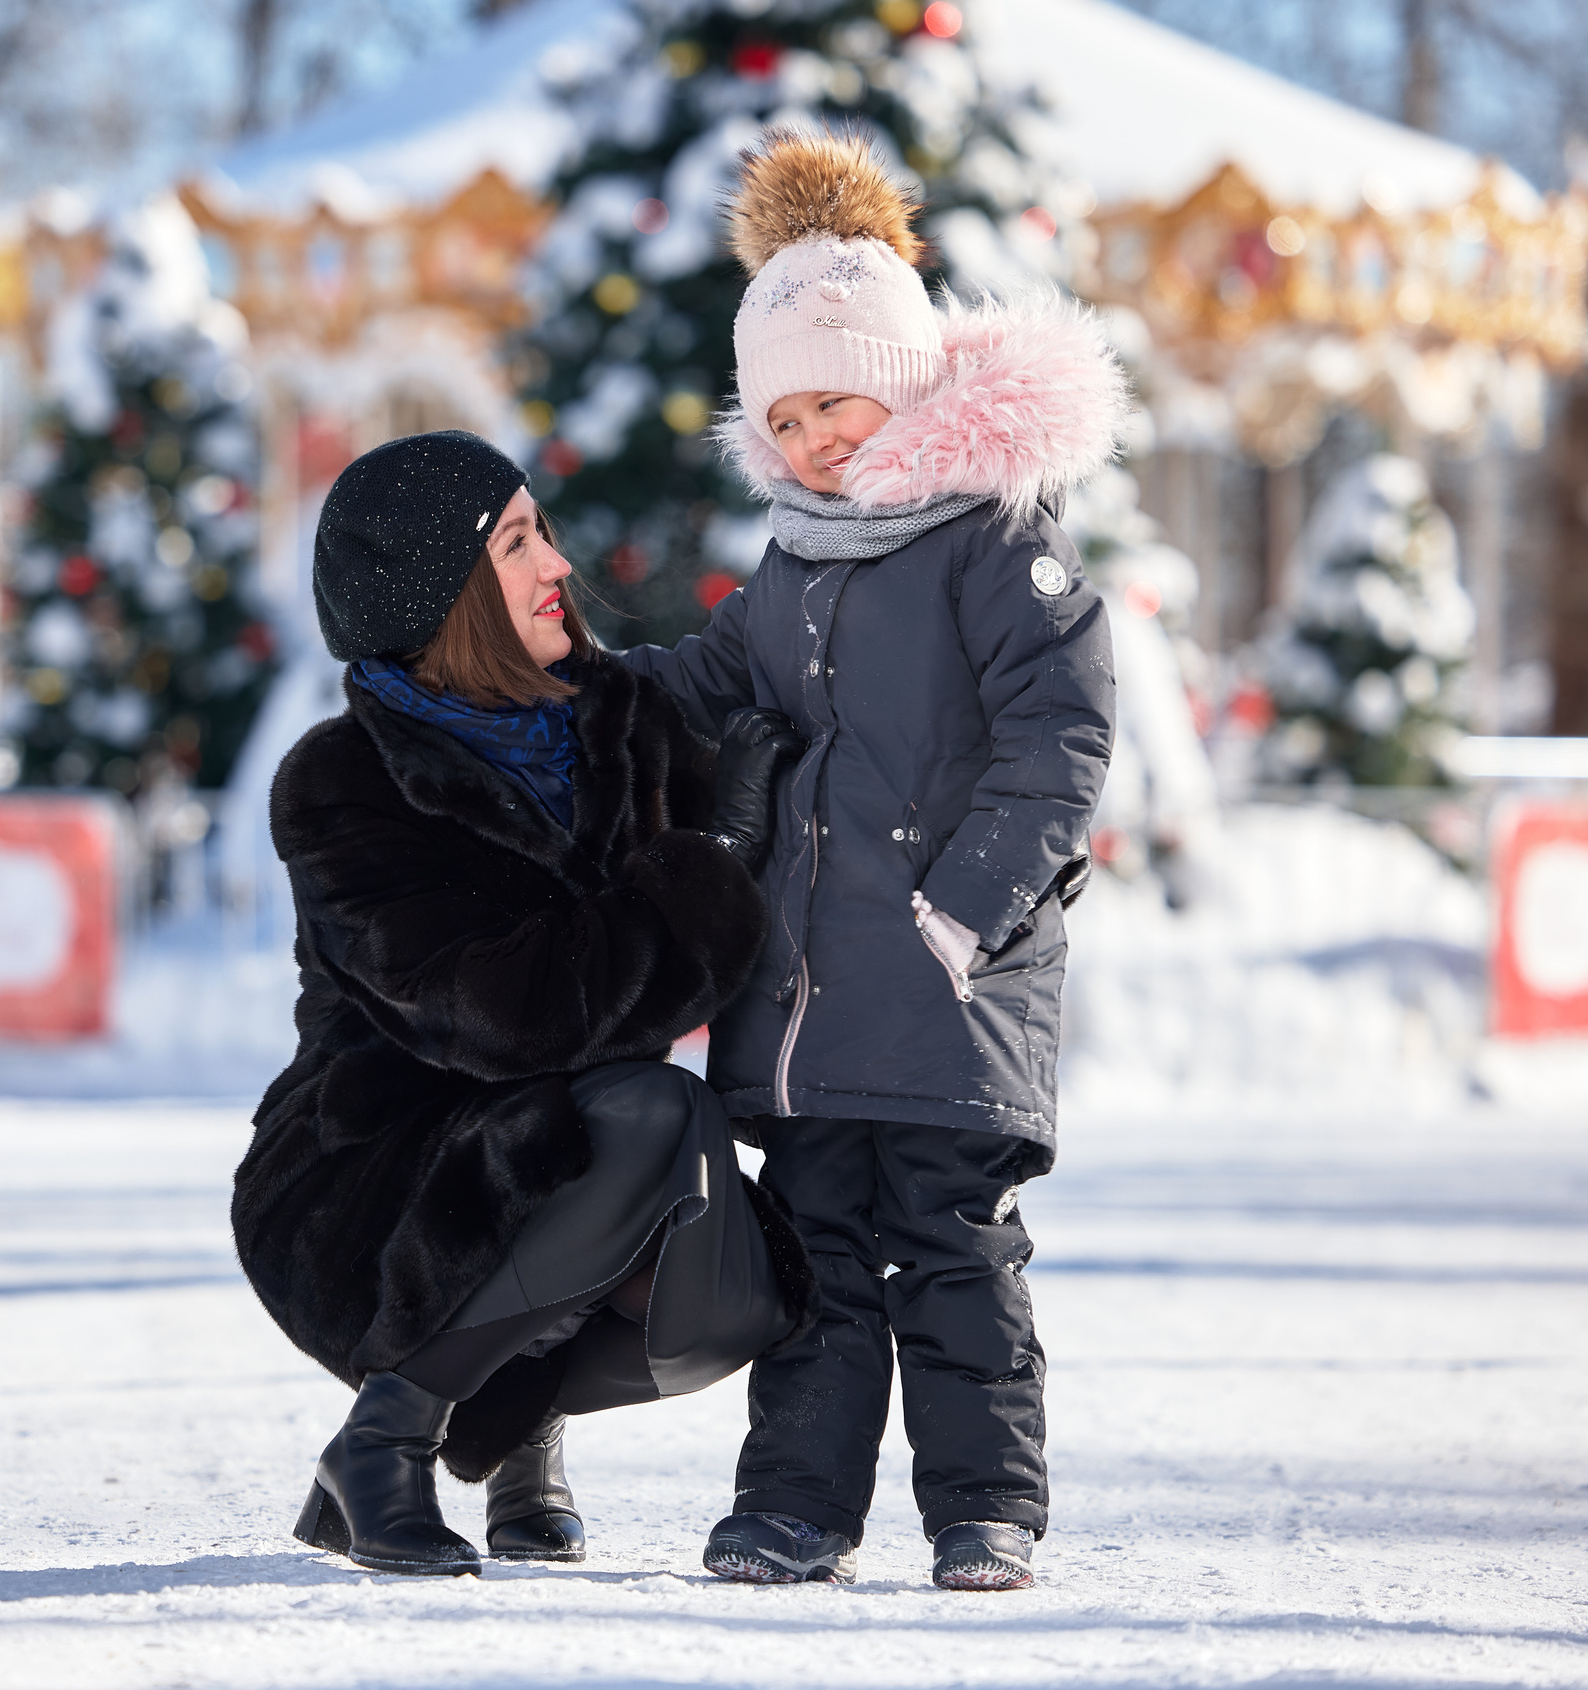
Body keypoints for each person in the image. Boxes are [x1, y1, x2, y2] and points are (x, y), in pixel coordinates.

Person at [617, 131, 1126, 1591]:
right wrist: (565, 691)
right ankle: (794, 1507)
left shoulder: (992, 539)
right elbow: (698, 685)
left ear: (900, 380)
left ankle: (984, 1508)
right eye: (781, 417)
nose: (810, 439)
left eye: (832, 400)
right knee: (815, 1262)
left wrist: (963, 913)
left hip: (949, 984)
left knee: (952, 1251)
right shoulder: (796, 561)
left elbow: (1061, 735)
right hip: (812, 998)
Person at [234, 430, 818, 1576]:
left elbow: (788, 855)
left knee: (741, 1287)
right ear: (443, 589)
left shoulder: (622, 725)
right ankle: (384, 1441)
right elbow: (510, 1015)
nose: (558, 563)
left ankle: (512, 1422)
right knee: (644, 1111)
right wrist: (710, 862)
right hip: (377, 1181)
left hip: (570, 1150)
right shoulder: (345, 782)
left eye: (542, 530)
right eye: (515, 543)